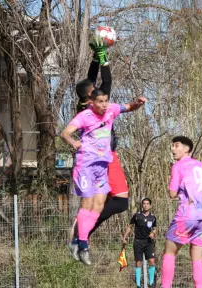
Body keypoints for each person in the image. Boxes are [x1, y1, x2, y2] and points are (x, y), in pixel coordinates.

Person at [61, 87, 146, 265]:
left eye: (106, 100)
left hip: (102, 166)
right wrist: (73, 142)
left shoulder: (111, 109)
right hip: (86, 166)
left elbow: (128, 106)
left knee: (99, 205)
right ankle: (83, 244)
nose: (104, 104)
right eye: (100, 101)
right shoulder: (84, 116)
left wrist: (137, 103)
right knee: (88, 203)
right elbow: (65, 133)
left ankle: (78, 241)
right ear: (92, 102)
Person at [68, 40, 130, 258]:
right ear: (90, 97)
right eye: (96, 92)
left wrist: (95, 57)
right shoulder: (93, 108)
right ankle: (81, 232)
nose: (102, 94)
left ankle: (83, 233)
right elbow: (107, 80)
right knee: (121, 201)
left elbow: (91, 81)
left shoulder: (87, 102)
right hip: (101, 159)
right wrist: (103, 58)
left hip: (106, 157)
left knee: (120, 201)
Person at [160, 136, 202, 288]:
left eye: (176, 145)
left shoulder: (178, 166)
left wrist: (172, 182)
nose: (172, 149)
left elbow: (172, 194)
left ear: (186, 149)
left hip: (186, 216)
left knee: (169, 252)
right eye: (172, 146)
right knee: (197, 257)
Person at [122, 198, 157, 288]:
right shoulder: (137, 216)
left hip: (148, 242)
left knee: (152, 261)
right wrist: (125, 237)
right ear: (142, 205)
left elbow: (155, 228)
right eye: (144, 204)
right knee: (138, 263)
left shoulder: (153, 217)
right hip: (138, 242)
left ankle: (151, 283)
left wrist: (153, 233)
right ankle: (138, 285)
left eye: (147, 204)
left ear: (150, 205)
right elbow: (129, 226)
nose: (145, 205)